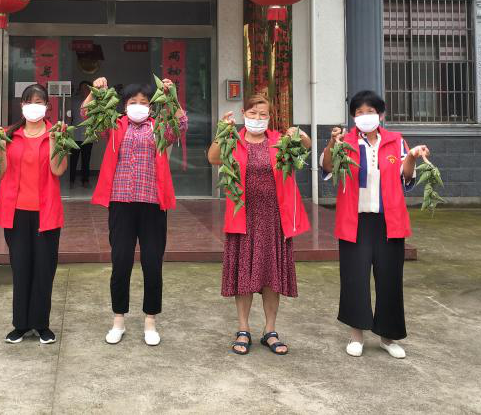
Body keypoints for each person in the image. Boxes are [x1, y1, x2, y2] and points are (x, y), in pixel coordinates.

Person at [320, 89, 429, 359]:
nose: (365, 116)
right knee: (354, 278)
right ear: (353, 117)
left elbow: (406, 177)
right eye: (359, 112)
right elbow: (328, 167)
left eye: (370, 111)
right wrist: (332, 143)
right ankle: (356, 335)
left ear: (380, 115)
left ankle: (387, 337)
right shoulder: (344, 141)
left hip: (388, 221)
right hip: (354, 221)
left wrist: (412, 156)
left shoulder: (395, 140)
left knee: (390, 279)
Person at [86, 76, 187, 347]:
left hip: (153, 204)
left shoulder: (159, 127)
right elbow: (88, 115)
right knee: (120, 262)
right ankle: (118, 319)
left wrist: (171, 95)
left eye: (144, 102)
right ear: (124, 105)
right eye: (133, 102)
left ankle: (150, 321)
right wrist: (96, 91)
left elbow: (181, 124)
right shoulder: (115, 124)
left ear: (151, 106)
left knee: (152, 263)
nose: (139, 106)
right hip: (121, 203)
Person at [208, 94, 311, 357]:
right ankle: (243, 329)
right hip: (243, 218)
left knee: (271, 276)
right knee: (244, 276)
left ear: (270, 117)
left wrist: (299, 134)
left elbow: (305, 148)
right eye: (252, 113)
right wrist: (223, 131)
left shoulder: (279, 140)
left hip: (274, 219)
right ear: (243, 113)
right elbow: (213, 158)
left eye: (263, 114)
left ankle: (270, 330)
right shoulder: (234, 139)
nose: (257, 118)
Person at [0, 83, 67, 345]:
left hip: (46, 212)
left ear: (47, 106)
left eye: (39, 101)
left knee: (44, 269)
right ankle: (21, 325)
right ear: (21, 105)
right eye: (29, 101)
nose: (34, 106)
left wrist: (55, 140)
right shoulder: (8, 135)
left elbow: (58, 170)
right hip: (16, 213)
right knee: (21, 268)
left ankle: (41, 324)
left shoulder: (56, 133)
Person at [69, 80, 94, 188]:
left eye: (86, 88)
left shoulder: (94, 102)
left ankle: (85, 180)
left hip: (88, 136)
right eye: (82, 88)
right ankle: (71, 180)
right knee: (73, 160)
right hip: (75, 135)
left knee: (86, 160)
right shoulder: (73, 101)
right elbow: (69, 117)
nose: (84, 90)